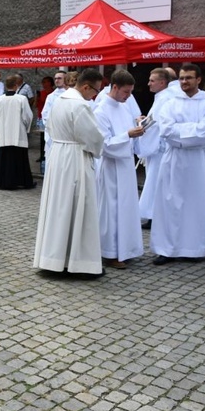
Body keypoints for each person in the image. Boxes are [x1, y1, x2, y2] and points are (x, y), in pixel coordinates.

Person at [34, 69, 104, 277]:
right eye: (95, 91)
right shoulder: (80, 105)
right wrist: (98, 149)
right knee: (78, 205)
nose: (96, 95)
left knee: (58, 207)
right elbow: (93, 138)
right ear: (85, 87)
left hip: (58, 156)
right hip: (74, 157)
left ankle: (53, 259)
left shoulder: (59, 101)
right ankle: (78, 263)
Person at [151, 63, 205, 265]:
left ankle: (193, 248)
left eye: (188, 78)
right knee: (169, 203)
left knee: (196, 204)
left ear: (198, 79)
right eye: (181, 78)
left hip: (197, 160)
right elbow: (165, 130)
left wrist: (181, 132)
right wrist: (191, 131)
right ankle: (167, 249)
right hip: (174, 158)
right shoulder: (170, 104)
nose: (184, 82)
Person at [94, 70, 145, 269]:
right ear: (114, 87)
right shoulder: (100, 111)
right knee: (112, 210)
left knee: (127, 208)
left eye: (130, 92)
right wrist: (128, 135)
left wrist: (137, 125)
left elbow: (126, 131)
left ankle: (127, 248)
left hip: (125, 166)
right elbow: (103, 145)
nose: (128, 96)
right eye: (125, 92)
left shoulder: (123, 108)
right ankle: (111, 252)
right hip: (111, 167)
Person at [136, 68, 173, 229]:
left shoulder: (165, 98)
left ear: (162, 82)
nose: (148, 83)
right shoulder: (161, 97)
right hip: (158, 147)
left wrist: (140, 123)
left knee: (156, 183)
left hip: (159, 149)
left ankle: (153, 215)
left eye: (152, 80)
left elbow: (155, 123)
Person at [0, 75, 35, 190]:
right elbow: (28, 116)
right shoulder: (21, 99)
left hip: (4, 135)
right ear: (16, 85)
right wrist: (26, 128)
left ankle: (2, 181)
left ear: (6, 85)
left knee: (5, 159)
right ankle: (22, 181)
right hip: (18, 134)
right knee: (19, 159)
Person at [41, 70, 68, 158]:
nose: (57, 80)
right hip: (53, 133)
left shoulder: (71, 94)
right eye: (55, 78)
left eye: (59, 78)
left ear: (65, 79)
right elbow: (45, 115)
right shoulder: (51, 97)